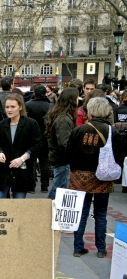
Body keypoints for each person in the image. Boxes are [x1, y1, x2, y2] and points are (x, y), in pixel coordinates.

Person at [65, 97, 123, 258]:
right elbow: (118, 155)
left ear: (90, 111)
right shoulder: (112, 131)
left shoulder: (78, 130)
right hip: (102, 178)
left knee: (81, 213)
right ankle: (101, 249)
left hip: (79, 178)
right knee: (100, 214)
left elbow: (68, 154)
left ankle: (78, 247)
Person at [0, 94, 42, 199]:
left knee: (18, 206)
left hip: (21, 170)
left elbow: (37, 144)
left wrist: (22, 158)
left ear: (20, 107)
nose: (9, 110)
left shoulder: (31, 124)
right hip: (3, 169)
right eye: (7, 107)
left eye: (12, 107)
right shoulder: (2, 124)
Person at [46, 87, 79, 199]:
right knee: (60, 188)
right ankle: (44, 212)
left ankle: (46, 211)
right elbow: (64, 143)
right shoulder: (64, 119)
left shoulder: (62, 116)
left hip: (60, 158)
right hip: (62, 159)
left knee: (59, 187)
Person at [25, 84, 53, 192]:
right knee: (44, 162)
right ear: (45, 93)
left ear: (34, 93)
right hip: (45, 137)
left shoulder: (28, 104)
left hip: (31, 137)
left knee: (31, 161)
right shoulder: (51, 105)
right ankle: (44, 186)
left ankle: (31, 186)